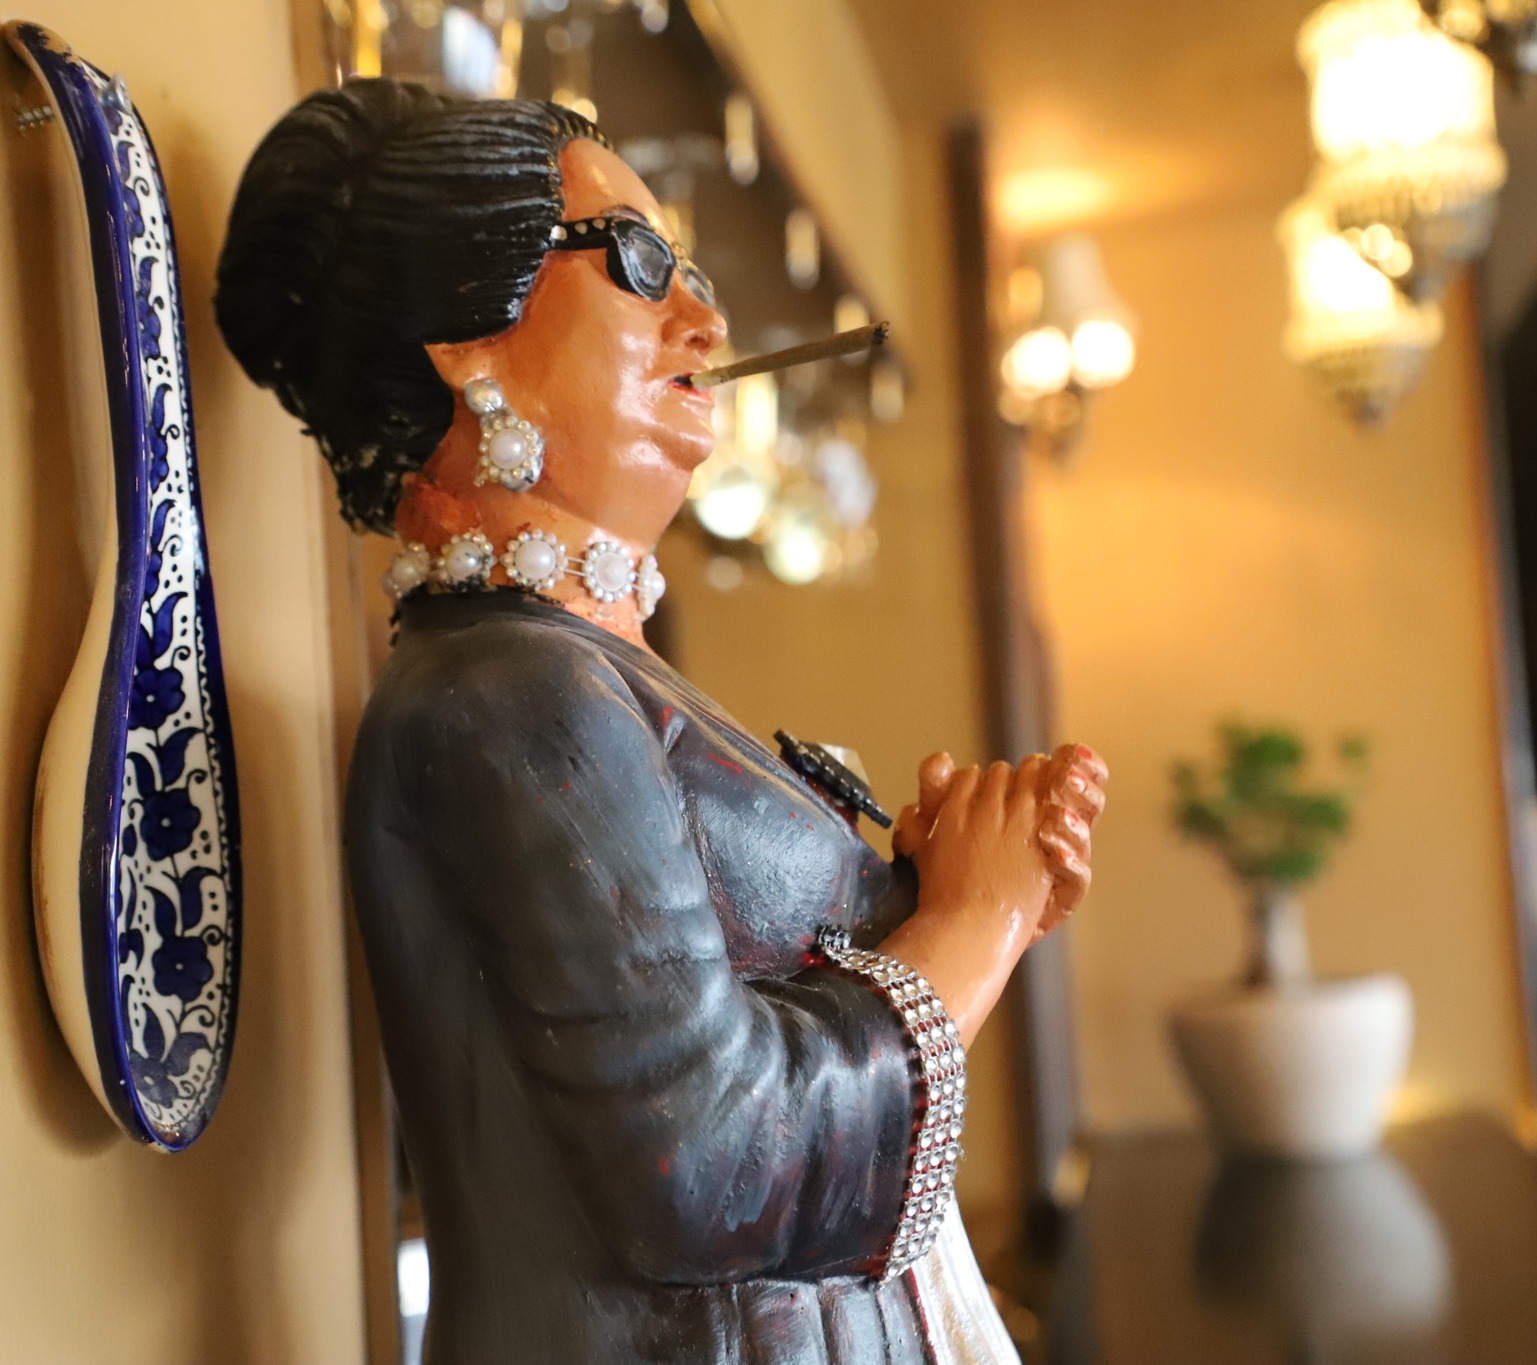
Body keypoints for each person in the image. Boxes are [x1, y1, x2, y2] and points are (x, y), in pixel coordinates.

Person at [214, 79, 1107, 1365]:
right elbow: (712, 1163)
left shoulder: (575, 674)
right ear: (466, 343)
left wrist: (923, 897)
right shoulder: (511, 697)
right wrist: (967, 930)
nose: (706, 319)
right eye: (637, 262)